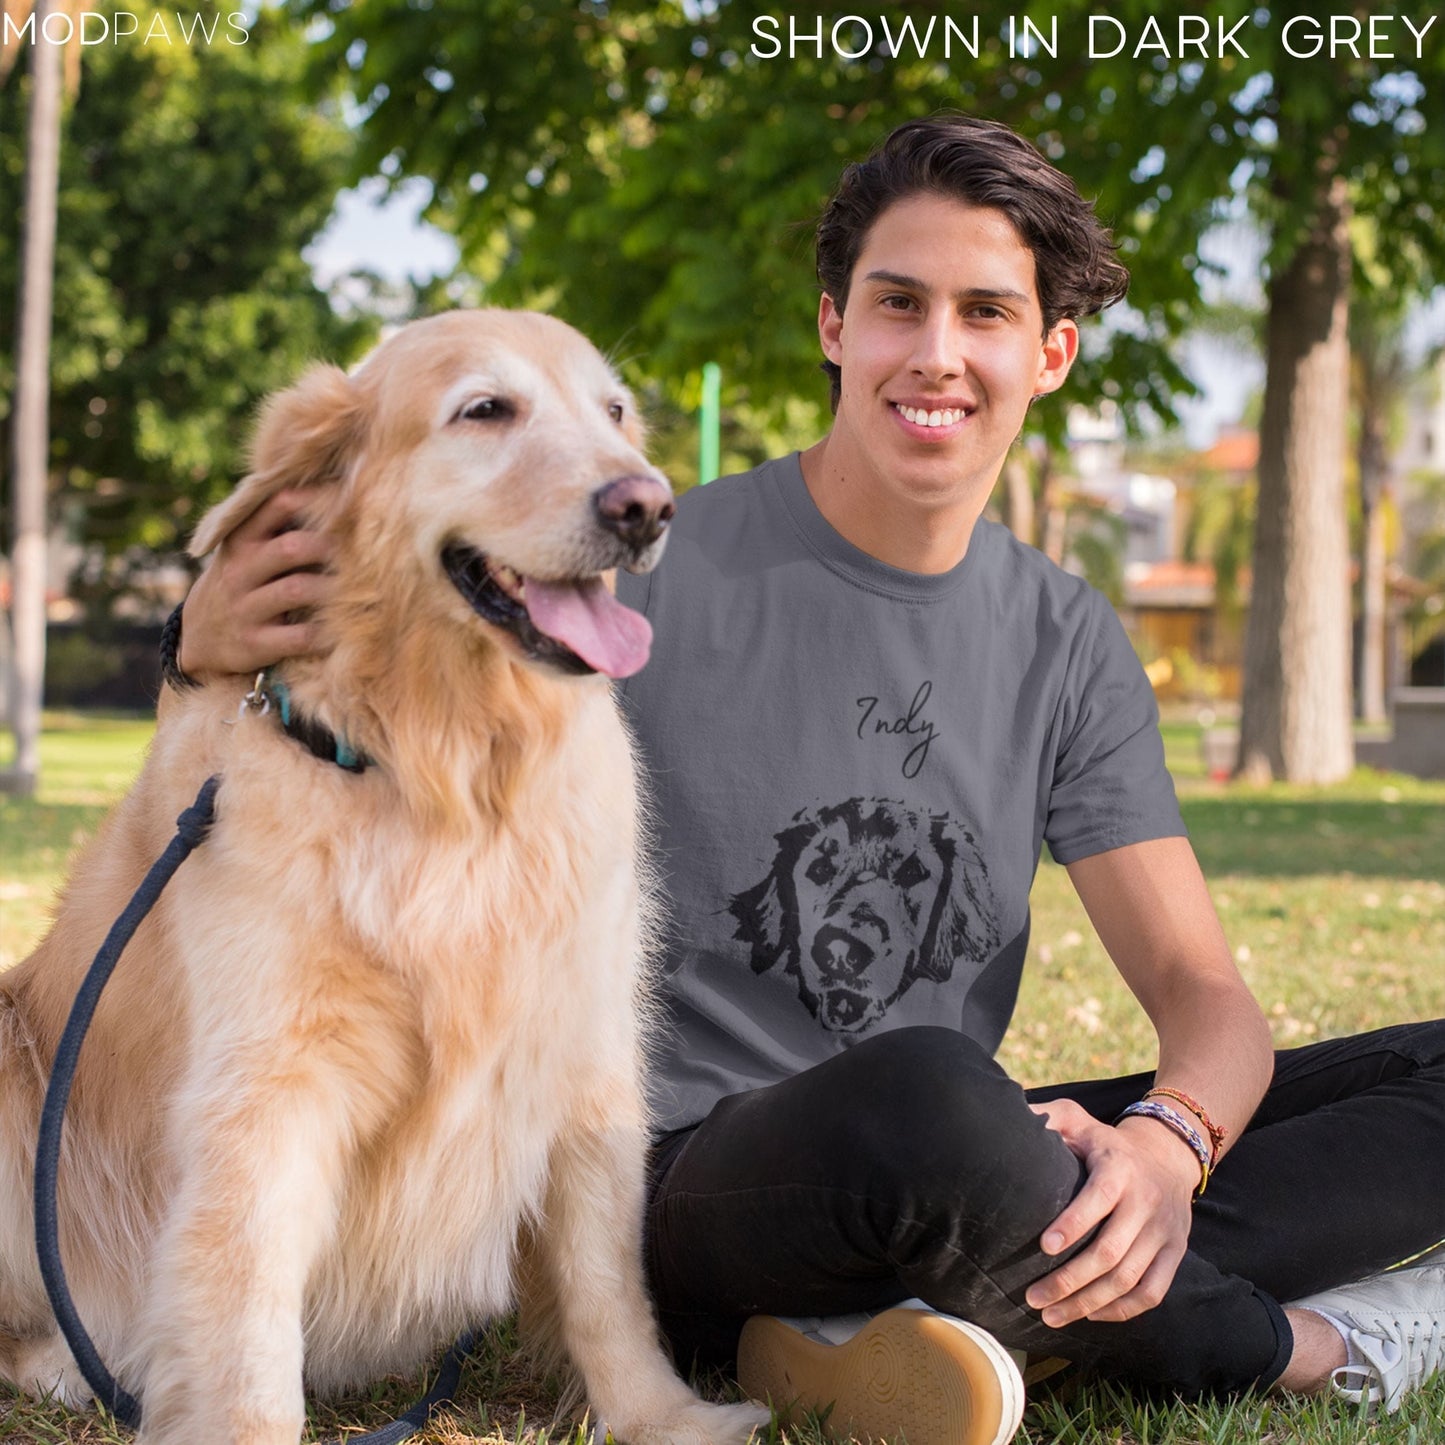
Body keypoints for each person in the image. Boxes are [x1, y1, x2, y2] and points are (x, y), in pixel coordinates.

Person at [175, 116, 1445, 1443]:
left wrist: (1164, 1148)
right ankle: (1300, 1339)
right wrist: (190, 644)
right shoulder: (624, 556)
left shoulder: (1064, 639)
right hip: (664, 1184)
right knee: (931, 1097)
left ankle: (952, 1297)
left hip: (954, 1161)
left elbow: (1202, 994)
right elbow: (323, 708)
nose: (936, 353)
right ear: (835, 325)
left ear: (1048, 352)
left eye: (986, 312)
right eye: (898, 304)